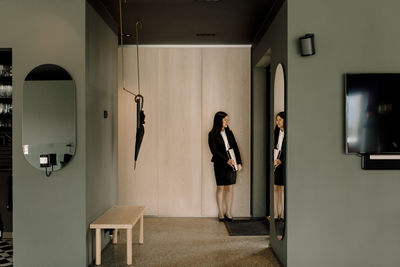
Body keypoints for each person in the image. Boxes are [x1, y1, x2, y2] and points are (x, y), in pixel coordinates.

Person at [208, 111, 242, 222]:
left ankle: (228, 211)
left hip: (232, 162)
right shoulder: (212, 134)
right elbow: (215, 151)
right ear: (219, 121)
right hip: (220, 163)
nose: (227, 121)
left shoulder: (230, 132)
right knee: (220, 188)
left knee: (229, 187)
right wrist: (227, 160)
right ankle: (220, 212)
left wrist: (239, 162)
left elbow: (235, 147)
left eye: (228, 119)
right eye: (225, 120)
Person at [274, 111, 285, 222]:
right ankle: (275, 214)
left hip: (284, 163)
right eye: (277, 120)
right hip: (275, 162)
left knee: (283, 188)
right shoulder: (276, 132)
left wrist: (282, 160)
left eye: (280, 120)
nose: (278, 122)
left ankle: (283, 214)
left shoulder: (288, 132)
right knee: (275, 188)